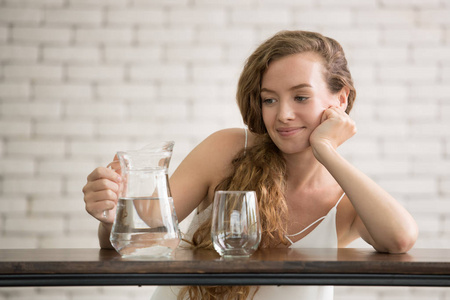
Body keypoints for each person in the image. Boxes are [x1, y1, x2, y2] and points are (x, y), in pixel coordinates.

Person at [82, 30, 418, 300]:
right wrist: (110, 217)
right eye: (269, 99)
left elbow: (400, 239)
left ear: (340, 98)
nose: (283, 114)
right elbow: (141, 238)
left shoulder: (346, 199)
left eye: (300, 97)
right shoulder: (227, 148)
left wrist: (326, 149)